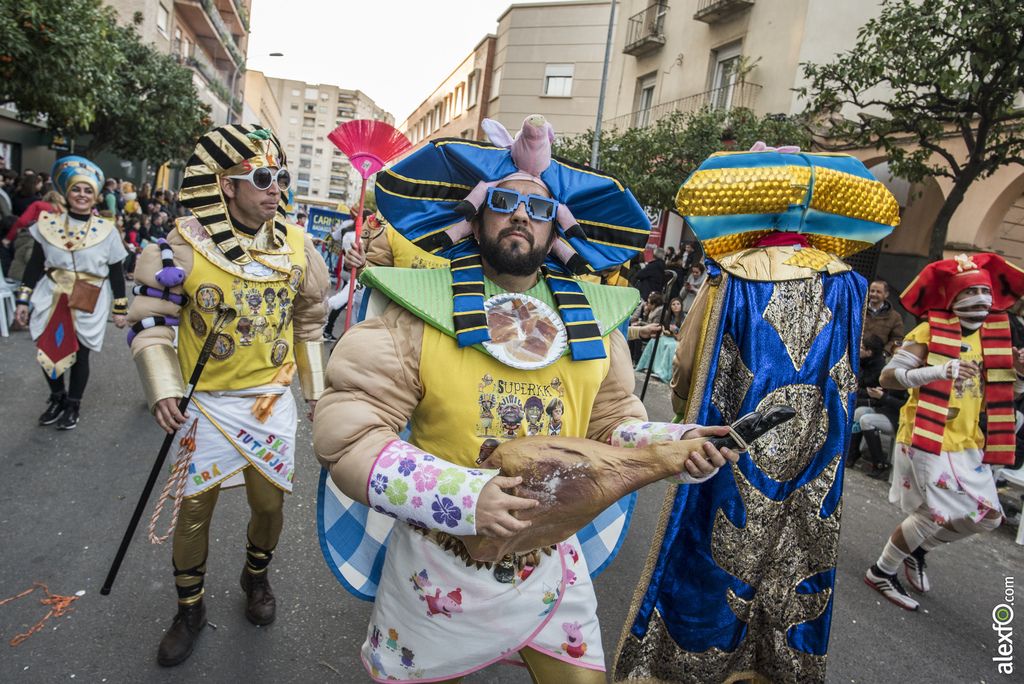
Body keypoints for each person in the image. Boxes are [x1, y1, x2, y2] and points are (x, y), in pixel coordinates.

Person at [314, 114, 738, 683]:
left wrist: (675, 442)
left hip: (548, 565)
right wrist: (467, 498)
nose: (521, 215)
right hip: (438, 567)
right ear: (476, 214)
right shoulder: (412, 316)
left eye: (539, 209)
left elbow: (613, 424)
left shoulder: (594, 326)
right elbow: (348, 438)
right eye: (506, 202)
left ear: (555, 231)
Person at [615, 146, 899, 684]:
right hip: (817, 452)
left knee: (709, 555)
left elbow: (687, 365)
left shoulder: (732, 275)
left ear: (759, 211)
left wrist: (682, 416)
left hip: (734, 443)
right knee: (795, 556)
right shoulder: (849, 282)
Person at [125, 125, 329, 666]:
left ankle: (255, 576)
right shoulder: (184, 244)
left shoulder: (297, 245)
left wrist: (316, 389)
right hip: (207, 404)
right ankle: (188, 607)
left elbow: (309, 322)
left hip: (271, 398)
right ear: (226, 184)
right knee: (195, 509)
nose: (275, 189)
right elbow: (149, 324)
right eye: (261, 178)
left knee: (269, 503)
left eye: (280, 178)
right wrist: (164, 389)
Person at [864, 253, 1024, 611]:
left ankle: (918, 550)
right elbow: (888, 377)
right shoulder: (928, 331)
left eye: (985, 290)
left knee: (989, 517)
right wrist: (939, 371)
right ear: (953, 298)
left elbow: (1007, 395)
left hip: (967, 442)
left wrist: (1021, 373)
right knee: (930, 514)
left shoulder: (993, 339)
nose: (981, 299)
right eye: (971, 292)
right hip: (927, 433)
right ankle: (881, 572)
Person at [13, 157, 129, 429]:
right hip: (51, 293)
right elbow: (33, 265)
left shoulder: (107, 230)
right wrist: (23, 299)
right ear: (67, 192)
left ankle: (73, 404)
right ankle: (57, 397)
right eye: (77, 189)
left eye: (88, 191)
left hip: (90, 296)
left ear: (96, 196)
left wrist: (120, 308)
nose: (82, 195)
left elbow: (115, 271)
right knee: (47, 347)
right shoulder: (47, 224)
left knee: (81, 353)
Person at [849, 333, 907, 478]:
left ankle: (881, 463)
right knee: (859, 413)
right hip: (885, 410)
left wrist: (883, 396)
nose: (893, 359)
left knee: (866, 420)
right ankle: (852, 454)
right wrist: (882, 393)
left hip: (898, 417)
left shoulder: (909, 377)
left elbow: (903, 405)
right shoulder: (891, 372)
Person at [636, 297, 684, 383]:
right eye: (673, 304)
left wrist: (676, 329)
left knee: (670, 346)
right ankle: (648, 366)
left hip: (679, 339)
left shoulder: (685, 317)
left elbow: (687, 332)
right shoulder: (669, 316)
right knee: (655, 340)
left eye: (678, 304)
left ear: (681, 306)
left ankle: (663, 371)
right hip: (669, 337)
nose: (676, 306)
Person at [862, 279, 904, 354]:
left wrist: (885, 352)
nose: (874, 294)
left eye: (878, 292)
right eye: (872, 291)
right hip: (855, 354)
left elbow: (897, 338)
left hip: (878, 358)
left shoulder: (895, 317)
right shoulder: (857, 311)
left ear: (886, 294)